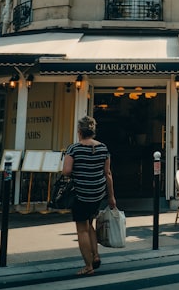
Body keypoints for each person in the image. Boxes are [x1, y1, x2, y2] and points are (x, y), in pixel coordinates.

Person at [62, 115, 116, 276]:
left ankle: (88, 266)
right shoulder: (103, 148)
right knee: (89, 225)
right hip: (97, 194)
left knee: (82, 230)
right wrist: (111, 197)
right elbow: (108, 173)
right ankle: (96, 255)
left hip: (81, 194)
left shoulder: (74, 149)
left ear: (79, 131)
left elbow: (66, 171)